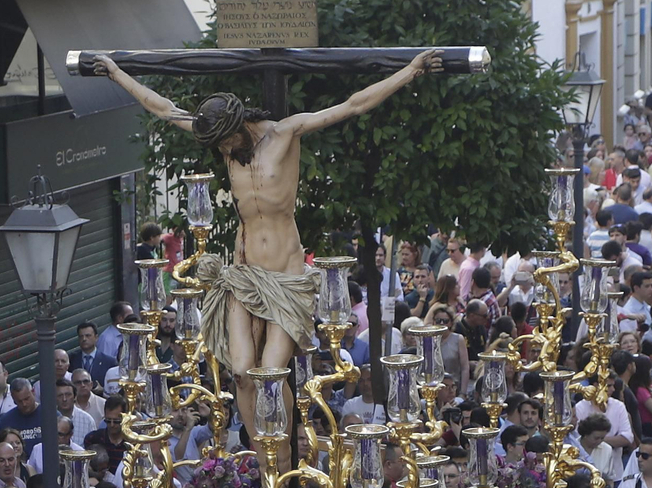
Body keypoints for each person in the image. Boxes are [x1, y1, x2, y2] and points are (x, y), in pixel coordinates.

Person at [94, 47, 445, 447]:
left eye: (226, 142)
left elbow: (354, 104)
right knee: (241, 373)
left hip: (286, 277)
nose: (224, 152)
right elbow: (164, 109)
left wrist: (410, 71)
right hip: (244, 275)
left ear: (240, 124)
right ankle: (265, 459)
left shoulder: (285, 133)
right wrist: (117, 74)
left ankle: (284, 447)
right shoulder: (221, 139)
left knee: (271, 374)